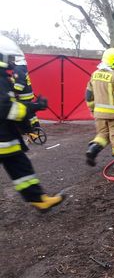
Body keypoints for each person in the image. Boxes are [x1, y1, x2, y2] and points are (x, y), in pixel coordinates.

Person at [0, 35, 63, 212]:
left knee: (22, 168)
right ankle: (38, 199)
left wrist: (28, 122)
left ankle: (38, 199)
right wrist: (33, 108)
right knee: (20, 166)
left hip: (7, 140)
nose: (13, 63)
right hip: (3, 139)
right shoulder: (1, 79)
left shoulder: (4, 77)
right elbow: (7, 109)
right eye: (11, 58)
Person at [85, 48, 114, 169]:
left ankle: (92, 150)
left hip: (99, 114)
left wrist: (91, 109)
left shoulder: (95, 75)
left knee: (102, 135)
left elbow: (89, 95)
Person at [12, 55, 40, 129]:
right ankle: (36, 126)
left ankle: (30, 128)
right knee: (30, 112)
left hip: (23, 96)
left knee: (25, 112)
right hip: (28, 94)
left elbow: (19, 84)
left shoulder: (17, 69)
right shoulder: (23, 68)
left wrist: (14, 92)